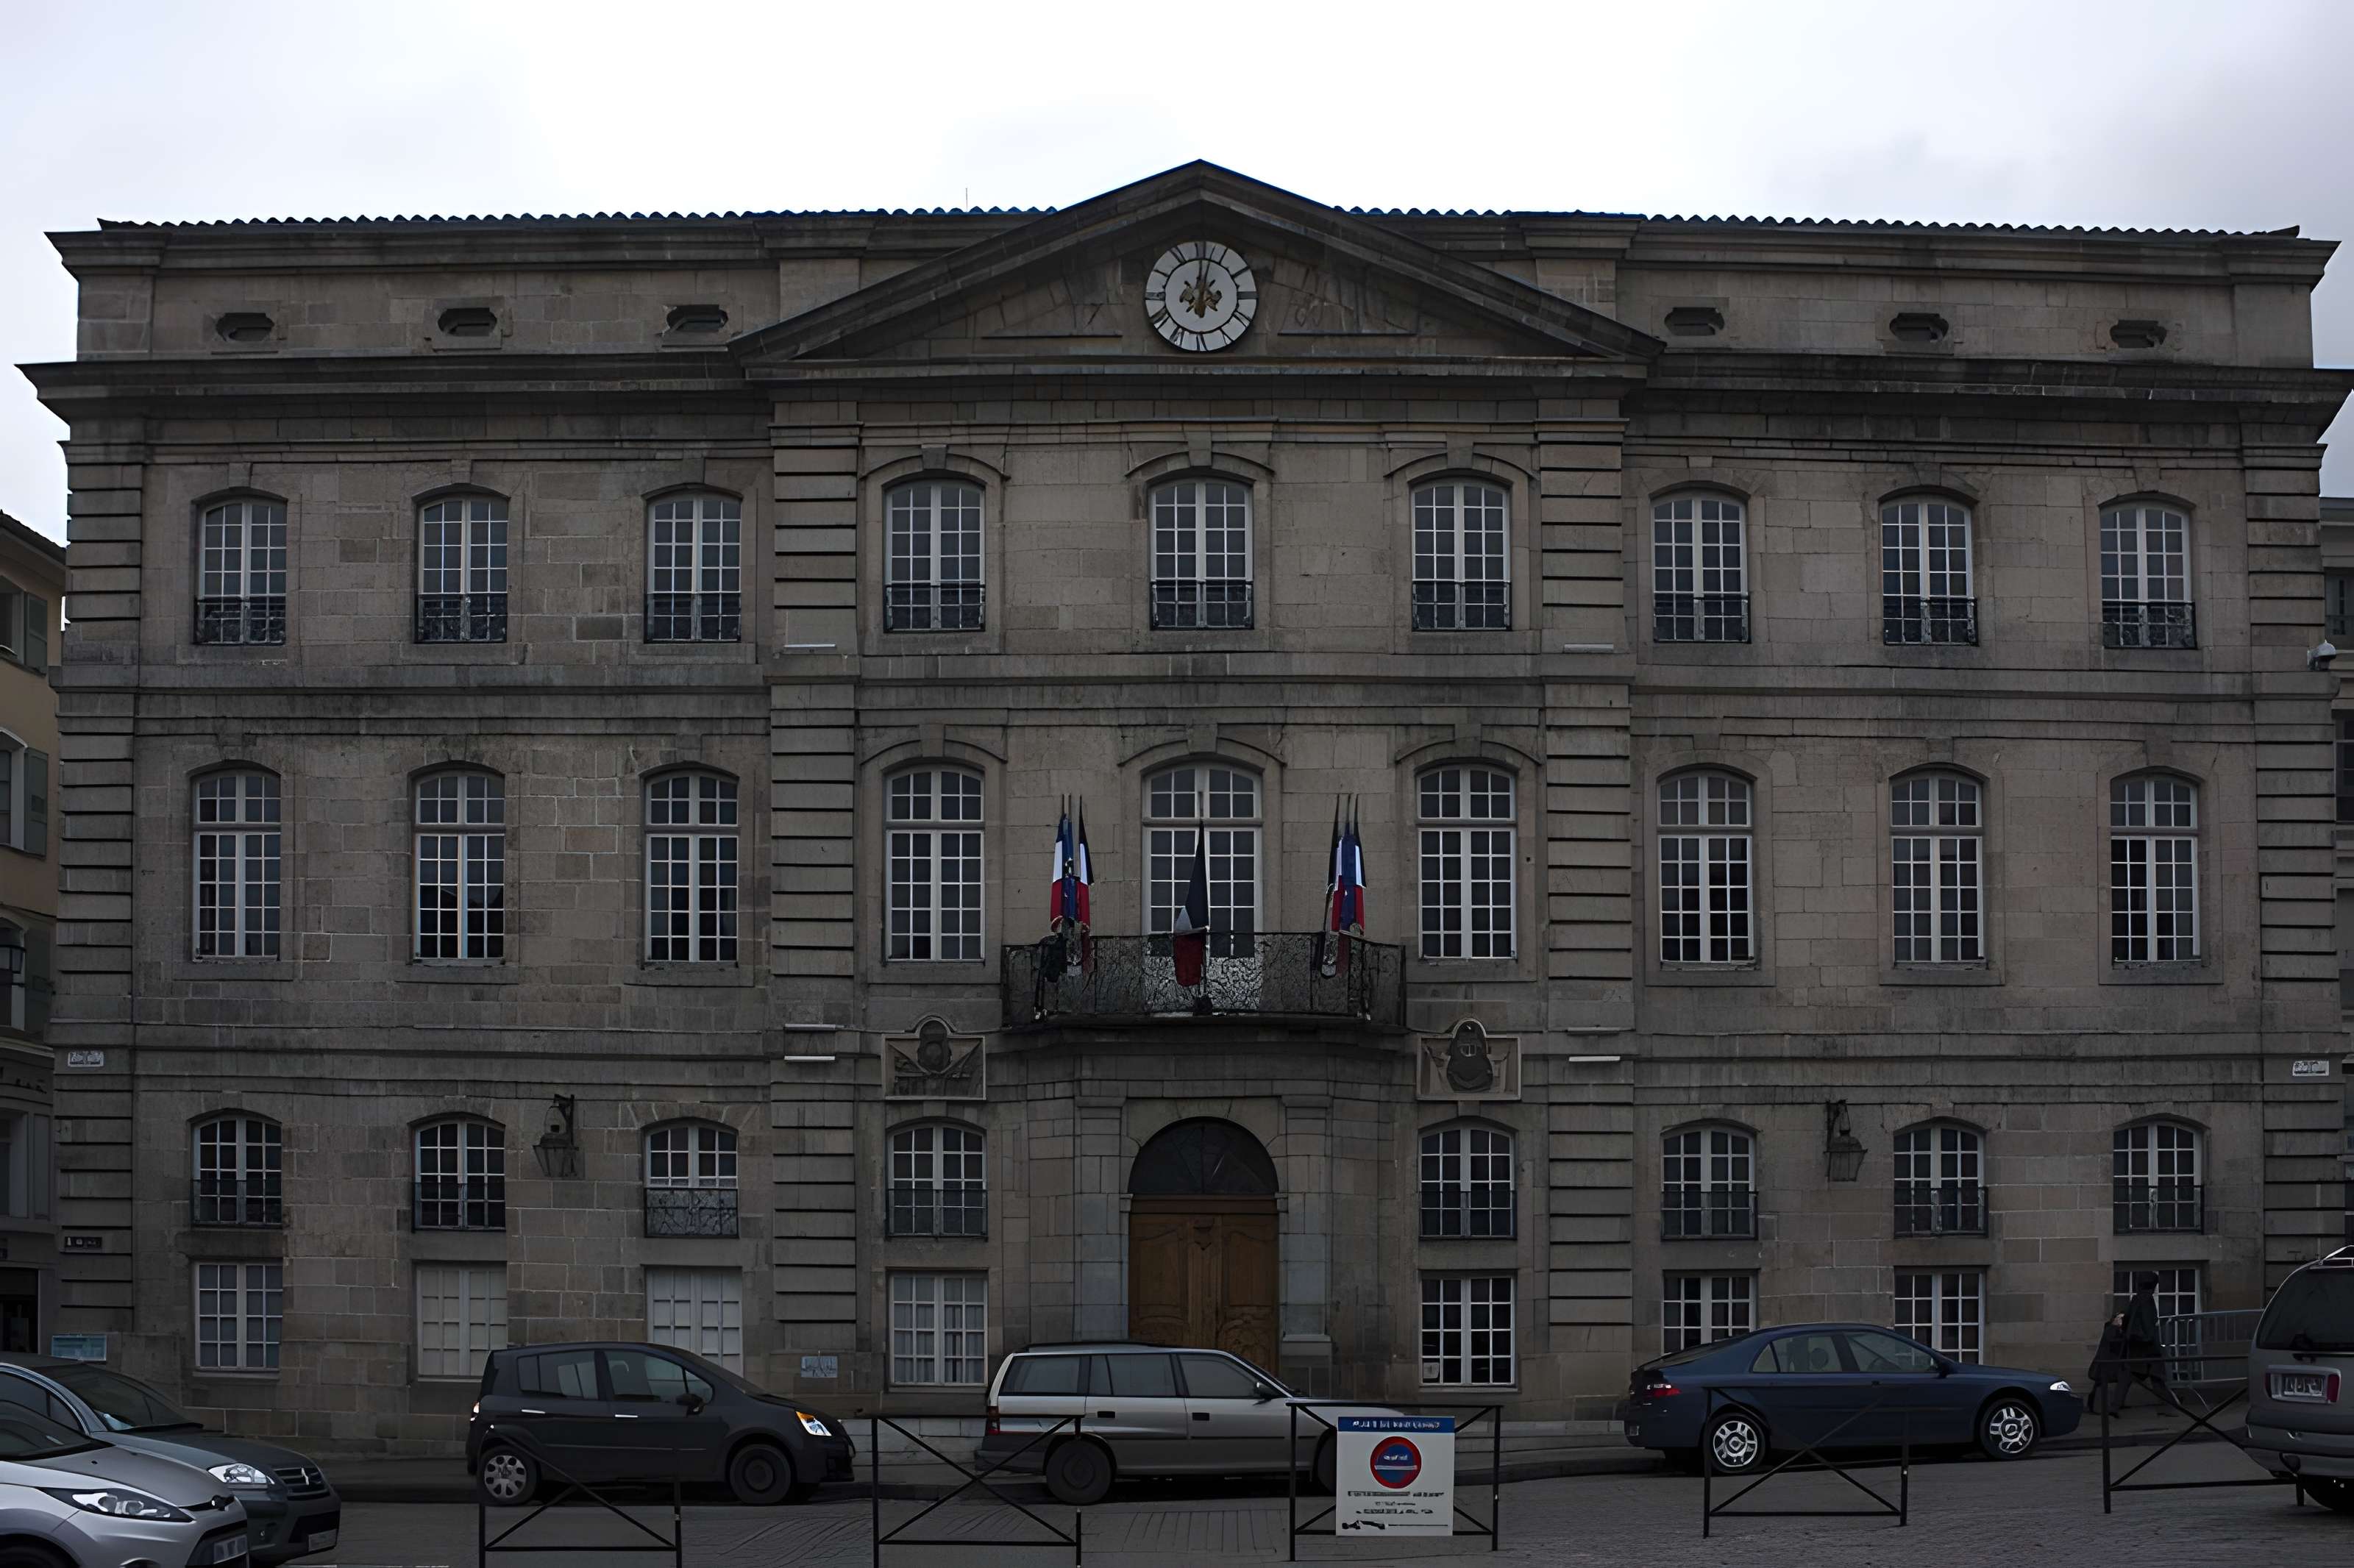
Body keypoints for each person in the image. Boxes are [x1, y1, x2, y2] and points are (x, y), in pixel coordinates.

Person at [2122, 1271, 2171, 1409]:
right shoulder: (2147, 1300)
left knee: (2129, 1377)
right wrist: (2151, 1341)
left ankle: (2115, 1406)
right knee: (2157, 1378)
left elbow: (2127, 1320)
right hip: (2147, 1346)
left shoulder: (2136, 1299)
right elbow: (2148, 1322)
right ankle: (2168, 1406)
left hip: (2137, 1346)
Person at [2085, 1311, 2131, 1415]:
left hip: (2110, 1364)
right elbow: (2114, 1344)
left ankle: (2111, 1406)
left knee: (2104, 1384)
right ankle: (2110, 1407)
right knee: (2104, 1383)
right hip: (2108, 1364)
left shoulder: (2115, 1330)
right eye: (2119, 1318)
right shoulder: (2111, 1329)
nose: (2121, 1321)